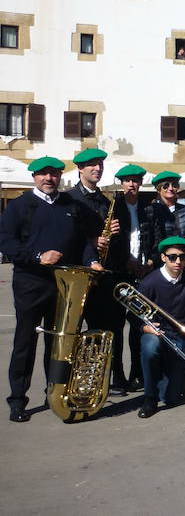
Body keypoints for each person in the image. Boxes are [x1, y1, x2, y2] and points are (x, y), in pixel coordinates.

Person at [0, 157, 100, 423]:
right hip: (31, 284)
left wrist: (92, 260)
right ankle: (18, 400)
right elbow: (6, 242)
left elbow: (83, 242)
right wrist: (37, 256)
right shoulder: (20, 206)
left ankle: (54, 394)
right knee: (25, 343)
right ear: (34, 177)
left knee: (59, 343)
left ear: (60, 177)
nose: (49, 179)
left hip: (64, 284)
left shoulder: (71, 206)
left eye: (54, 174)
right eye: (43, 174)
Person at [66, 148, 128, 394]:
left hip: (106, 272)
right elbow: (67, 236)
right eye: (91, 165)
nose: (97, 169)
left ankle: (116, 373)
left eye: (100, 165)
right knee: (86, 331)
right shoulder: (69, 198)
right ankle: (84, 378)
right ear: (80, 169)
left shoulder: (105, 200)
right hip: (81, 274)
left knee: (112, 327)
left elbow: (115, 241)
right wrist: (91, 241)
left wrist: (114, 232)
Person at [136, 236, 185, 418]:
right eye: (172, 257)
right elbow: (133, 315)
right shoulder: (149, 282)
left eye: (182, 257)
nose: (178, 261)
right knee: (149, 348)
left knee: (171, 399)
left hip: (178, 335)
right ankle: (149, 398)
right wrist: (144, 328)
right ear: (163, 257)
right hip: (155, 331)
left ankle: (167, 378)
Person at [112, 164, 154, 392]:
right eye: (127, 180)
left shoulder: (148, 208)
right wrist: (126, 262)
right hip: (120, 273)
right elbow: (112, 241)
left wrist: (148, 264)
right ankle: (118, 376)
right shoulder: (114, 206)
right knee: (117, 327)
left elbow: (156, 240)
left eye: (135, 180)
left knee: (140, 326)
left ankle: (138, 374)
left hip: (143, 274)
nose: (131, 184)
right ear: (121, 183)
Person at [143, 171, 185, 260]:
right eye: (166, 186)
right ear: (158, 189)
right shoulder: (151, 210)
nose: (171, 188)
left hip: (182, 257)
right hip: (159, 258)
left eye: (174, 185)